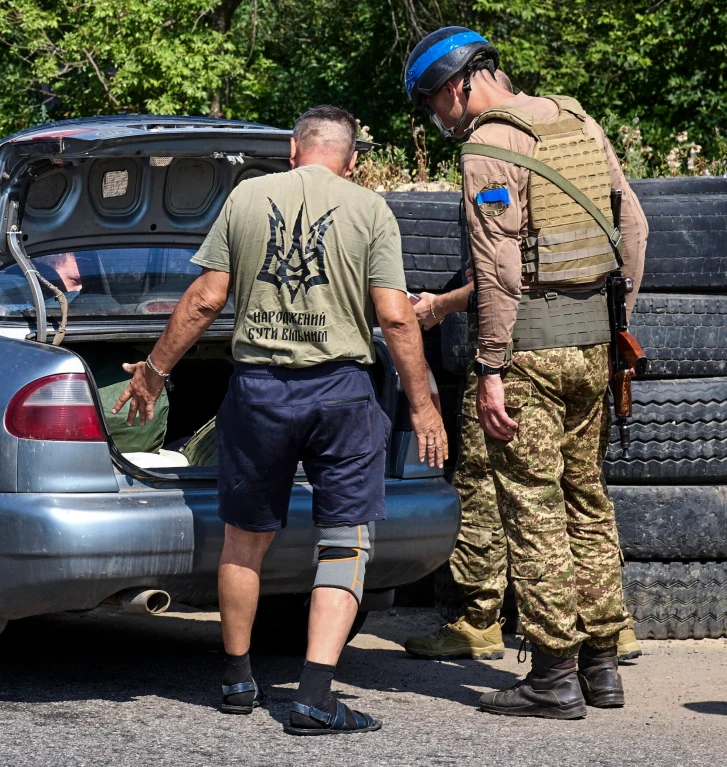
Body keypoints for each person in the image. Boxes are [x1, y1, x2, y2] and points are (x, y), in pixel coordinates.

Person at [112, 105, 446, 735]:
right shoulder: (370, 208)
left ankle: (237, 681)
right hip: (341, 393)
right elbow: (398, 319)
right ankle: (315, 697)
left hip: (259, 390)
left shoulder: (245, 198)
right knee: (344, 542)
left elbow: (207, 298)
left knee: (245, 538)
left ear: (294, 150)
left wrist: (153, 373)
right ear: (350, 159)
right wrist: (425, 405)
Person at [404, 26, 647, 719]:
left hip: (530, 356)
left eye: (432, 104)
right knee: (587, 502)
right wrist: (613, 314)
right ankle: (603, 668)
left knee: (533, 507)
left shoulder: (487, 148)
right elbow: (634, 228)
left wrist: (488, 366)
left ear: (458, 85)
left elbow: (499, 271)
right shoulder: (575, 119)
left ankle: (551, 675)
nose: (436, 118)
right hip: (595, 347)